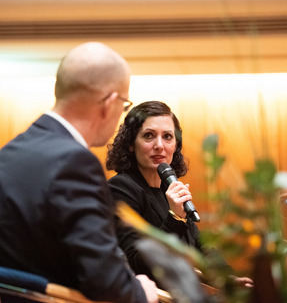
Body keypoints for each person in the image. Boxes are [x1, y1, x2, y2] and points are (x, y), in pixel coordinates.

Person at [0, 42, 158, 303]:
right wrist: (141, 292)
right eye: (125, 105)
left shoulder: (10, 152)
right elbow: (105, 282)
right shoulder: (75, 162)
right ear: (110, 103)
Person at [106, 100, 253, 290]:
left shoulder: (170, 189)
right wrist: (175, 218)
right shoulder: (120, 189)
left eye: (167, 137)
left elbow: (202, 248)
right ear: (131, 144)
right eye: (149, 136)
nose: (159, 145)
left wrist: (228, 278)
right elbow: (137, 263)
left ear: (176, 145)